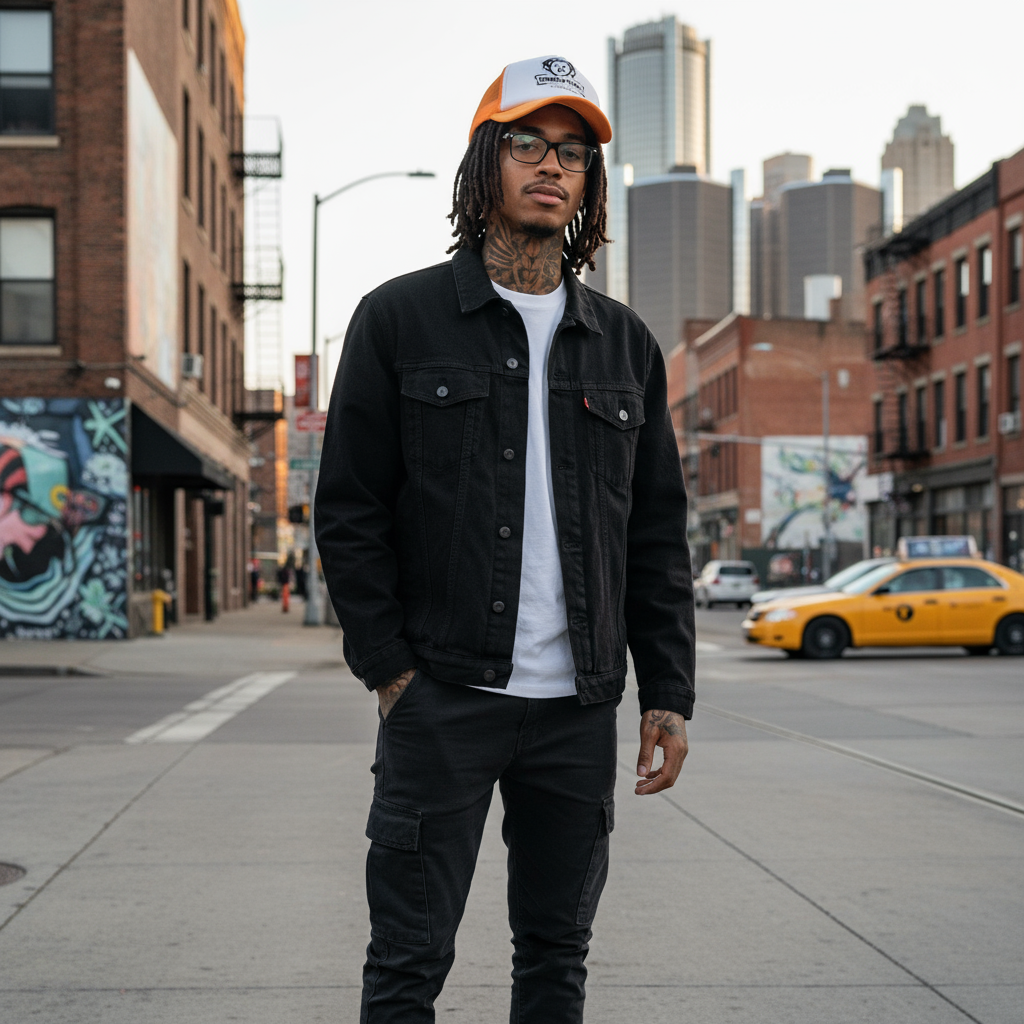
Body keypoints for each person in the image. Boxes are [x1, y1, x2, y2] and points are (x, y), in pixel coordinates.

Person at [316, 55, 695, 1024]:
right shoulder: (398, 318)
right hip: (442, 693)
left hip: (575, 708)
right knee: (406, 960)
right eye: (525, 141)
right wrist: (389, 670)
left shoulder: (623, 344)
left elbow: (654, 532)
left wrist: (668, 693)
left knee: (556, 956)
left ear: (587, 183)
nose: (549, 165)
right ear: (484, 161)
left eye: (570, 151)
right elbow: (349, 507)